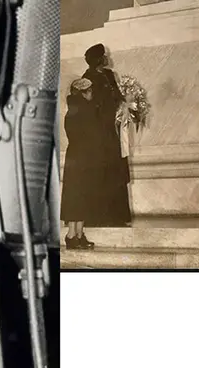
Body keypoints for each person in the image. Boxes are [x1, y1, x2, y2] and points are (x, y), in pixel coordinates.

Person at [81, 46, 131, 227]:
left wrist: (124, 107)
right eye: (103, 56)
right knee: (101, 173)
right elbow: (88, 106)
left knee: (115, 171)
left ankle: (116, 216)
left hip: (111, 131)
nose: (106, 58)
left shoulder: (109, 75)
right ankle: (99, 216)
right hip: (98, 134)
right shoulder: (86, 79)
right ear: (97, 60)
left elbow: (117, 96)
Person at [60, 80, 96, 250]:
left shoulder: (74, 111)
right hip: (81, 157)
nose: (92, 94)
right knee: (78, 195)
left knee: (81, 195)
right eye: (90, 91)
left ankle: (78, 234)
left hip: (77, 156)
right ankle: (72, 235)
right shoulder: (82, 111)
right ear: (83, 93)